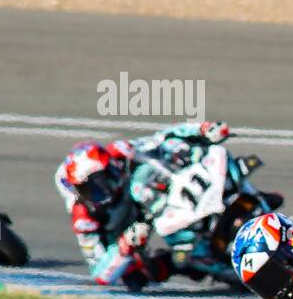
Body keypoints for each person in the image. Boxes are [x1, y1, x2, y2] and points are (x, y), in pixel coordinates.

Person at [53, 120, 238, 289]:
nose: (104, 190)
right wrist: (125, 245)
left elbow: (162, 138)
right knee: (137, 277)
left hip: (154, 194)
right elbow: (100, 273)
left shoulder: (119, 151)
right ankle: (196, 262)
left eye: (105, 179)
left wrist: (202, 129)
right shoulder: (84, 218)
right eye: (91, 189)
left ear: (111, 165)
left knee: (174, 148)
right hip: (127, 229)